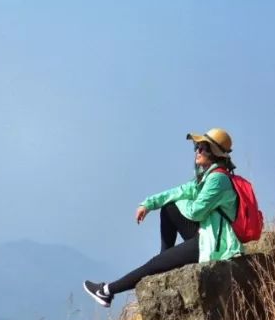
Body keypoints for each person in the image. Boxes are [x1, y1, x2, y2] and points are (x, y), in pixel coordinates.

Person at [84, 128, 244, 307]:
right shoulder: (208, 177)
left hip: (213, 242)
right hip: (206, 232)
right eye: (197, 147)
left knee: (155, 261)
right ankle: (164, 258)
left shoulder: (218, 180)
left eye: (203, 148)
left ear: (214, 153)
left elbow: (196, 212)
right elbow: (178, 192)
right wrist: (149, 203)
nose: (197, 151)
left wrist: (181, 202)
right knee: (169, 207)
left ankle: (106, 291)